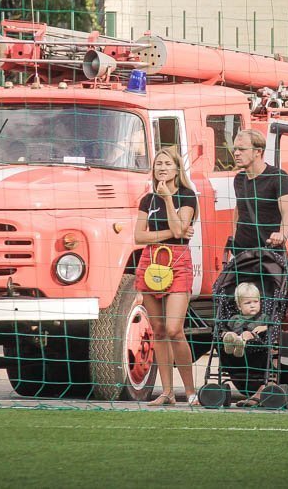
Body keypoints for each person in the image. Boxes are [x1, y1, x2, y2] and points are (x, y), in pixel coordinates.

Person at [133, 146, 198, 406]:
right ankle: (167, 392)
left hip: (178, 261)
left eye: (167, 164)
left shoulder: (187, 196)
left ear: (177, 169)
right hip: (150, 261)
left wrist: (169, 200)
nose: (162, 168)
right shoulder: (147, 200)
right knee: (158, 330)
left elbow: (180, 231)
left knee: (174, 329)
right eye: (158, 164)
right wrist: (173, 233)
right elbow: (139, 236)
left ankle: (190, 391)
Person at [231, 129, 288, 252]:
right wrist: (233, 239)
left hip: (269, 252)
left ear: (258, 151)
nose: (236, 153)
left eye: (242, 149)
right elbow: (239, 210)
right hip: (242, 254)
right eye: (235, 149)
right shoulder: (239, 178)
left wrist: (282, 235)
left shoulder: (278, 176)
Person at [221, 282, 269, 358]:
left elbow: (273, 327)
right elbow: (227, 328)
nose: (252, 305)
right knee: (230, 334)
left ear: (260, 302)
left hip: (254, 341)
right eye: (248, 303)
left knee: (246, 334)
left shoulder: (263, 317)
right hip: (236, 337)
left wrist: (264, 327)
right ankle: (230, 344)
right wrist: (225, 333)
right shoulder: (235, 318)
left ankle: (240, 344)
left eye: (256, 302)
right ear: (239, 306)